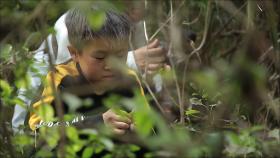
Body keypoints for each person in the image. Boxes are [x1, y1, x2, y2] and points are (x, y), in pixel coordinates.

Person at [12, 3, 168, 133]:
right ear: (74, 53)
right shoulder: (60, 78)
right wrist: (97, 122)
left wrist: (141, 126)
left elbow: (151, 127)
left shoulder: (129, 78)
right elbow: (37, 130)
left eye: (121, 55)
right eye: (100, 57)